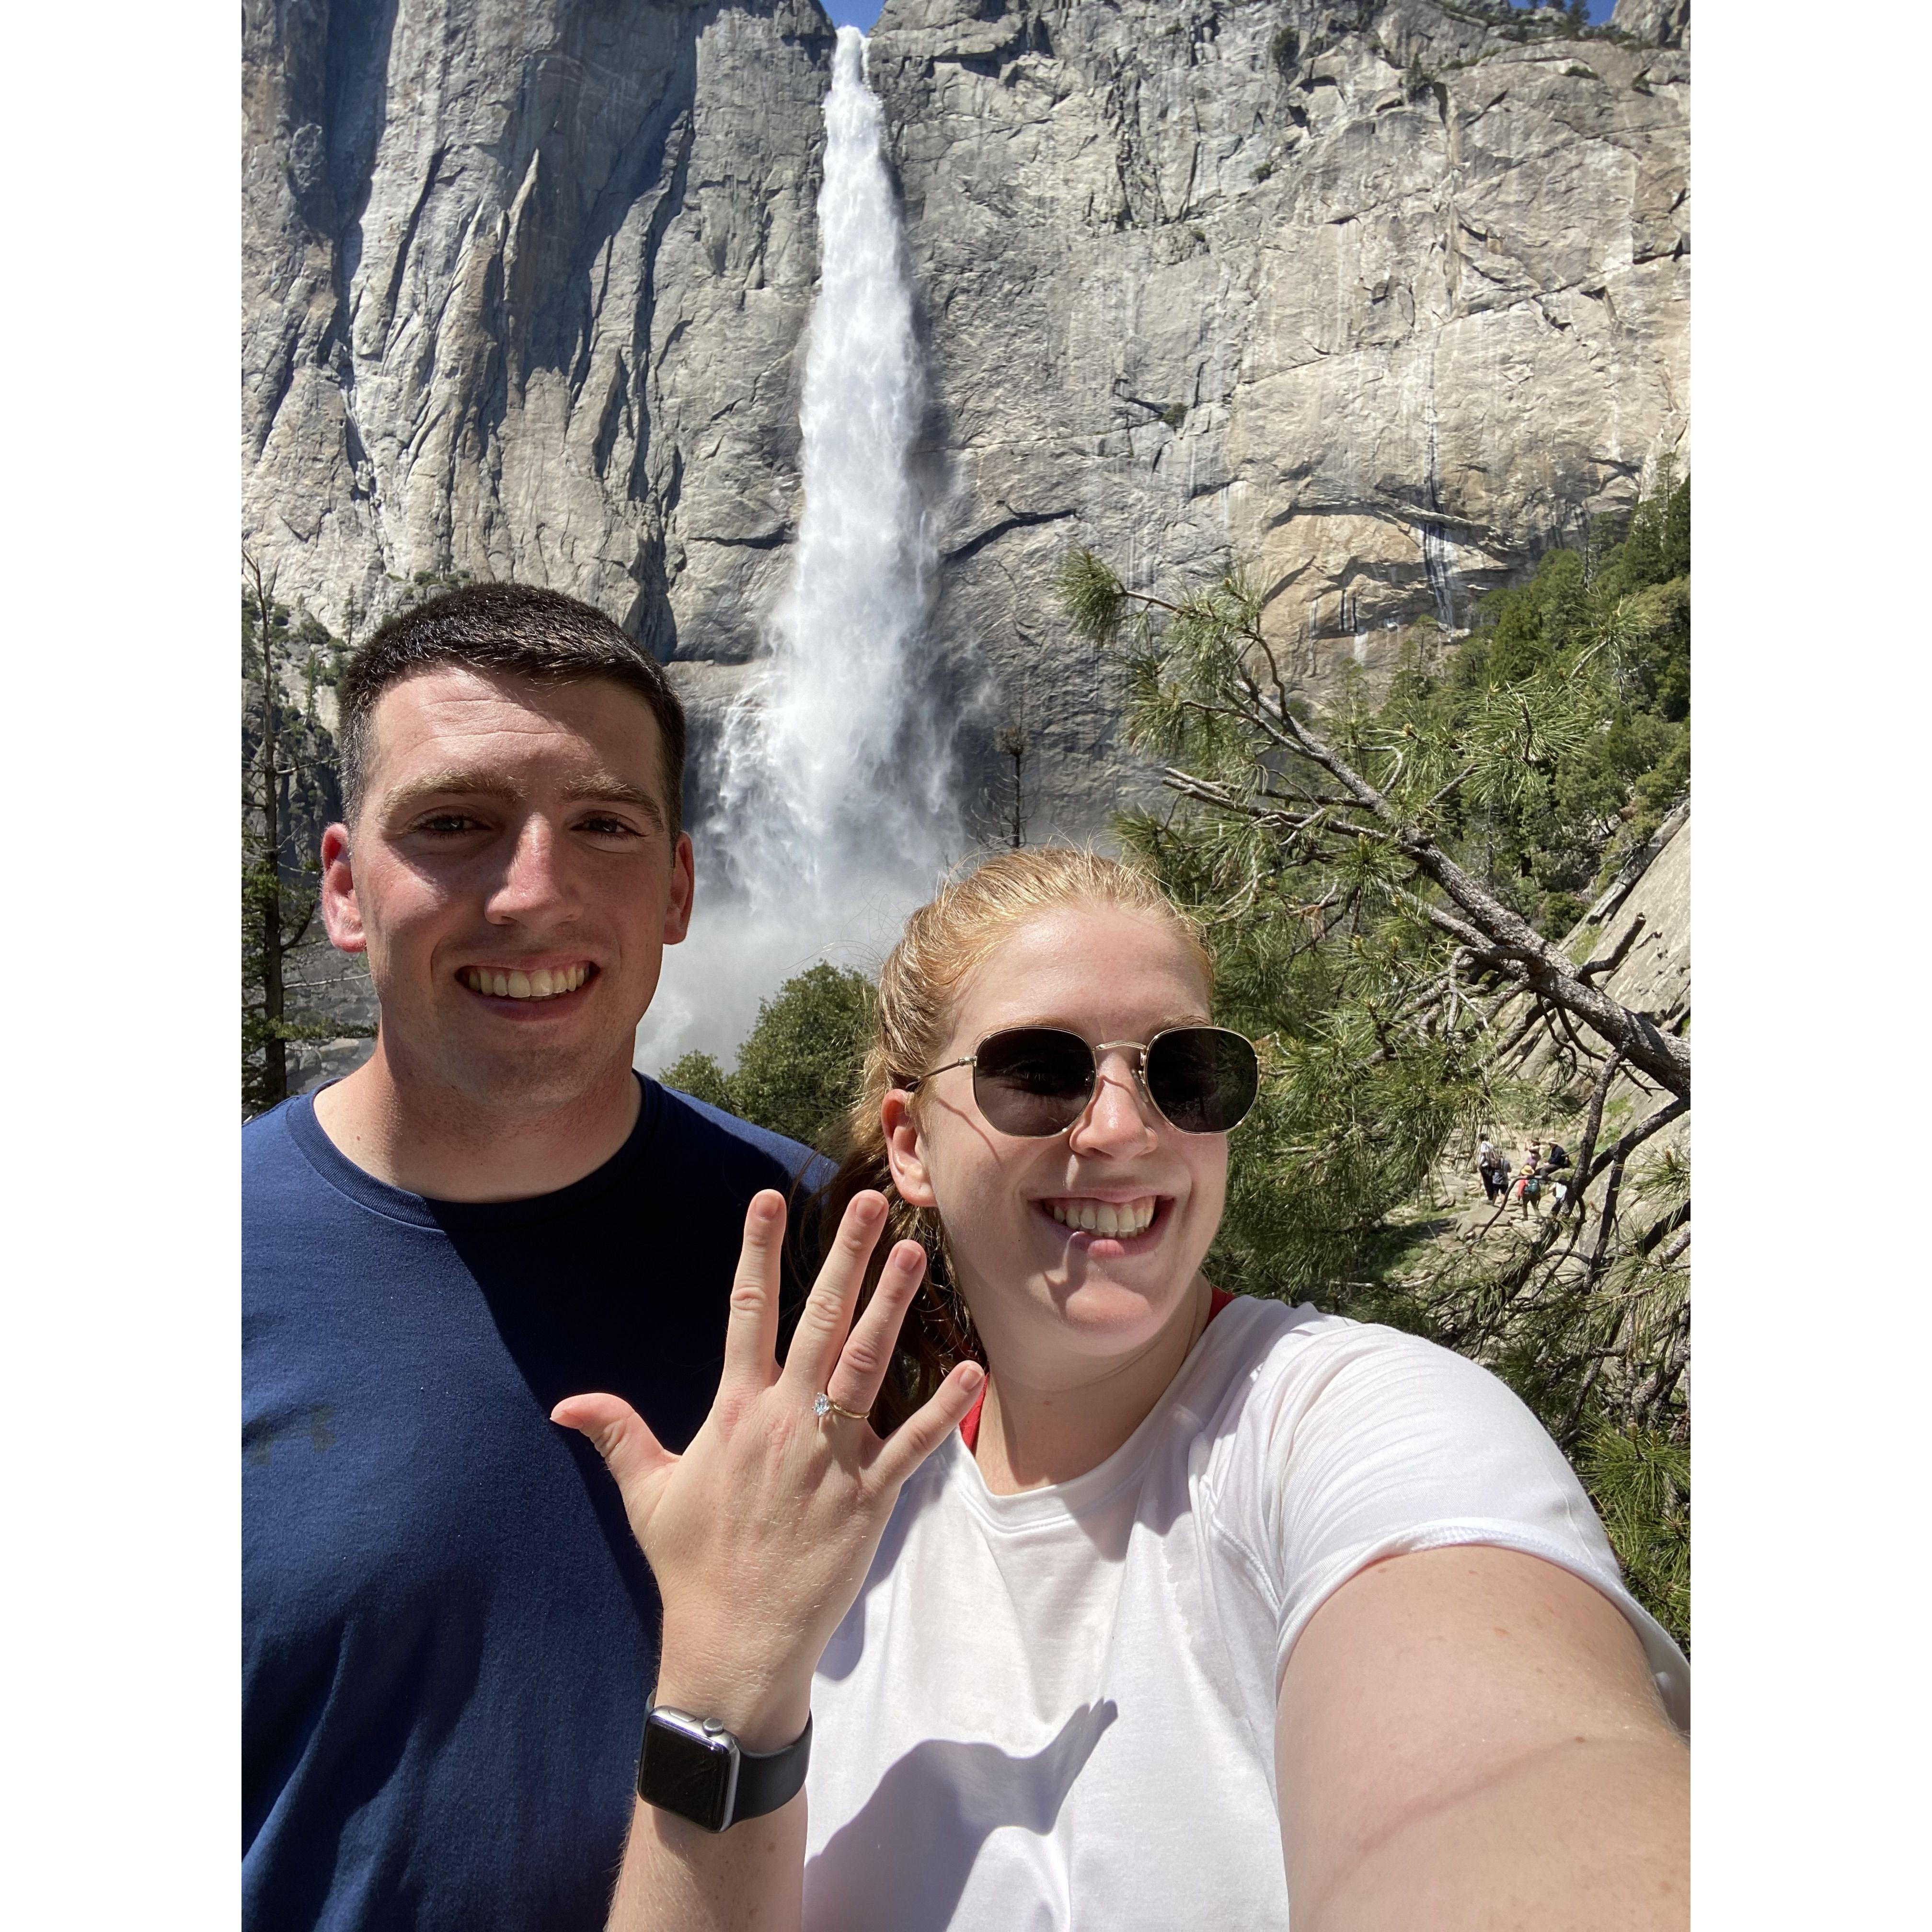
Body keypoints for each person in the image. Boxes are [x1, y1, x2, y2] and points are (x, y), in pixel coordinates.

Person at [559, 849, 1690, 1931]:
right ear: (909, 1144)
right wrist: (725, 1684)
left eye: (1185, 1073)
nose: (1121, 1126)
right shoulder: (832, 1538)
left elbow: (1516, 1775)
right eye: (1038, 1072)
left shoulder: (1350, 1423)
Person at [242, 585, 824, 1931]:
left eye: (605, 827)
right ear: (343, 887)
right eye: (454, 825)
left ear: (677, 886)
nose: (533, 892)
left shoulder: (831, 1256)